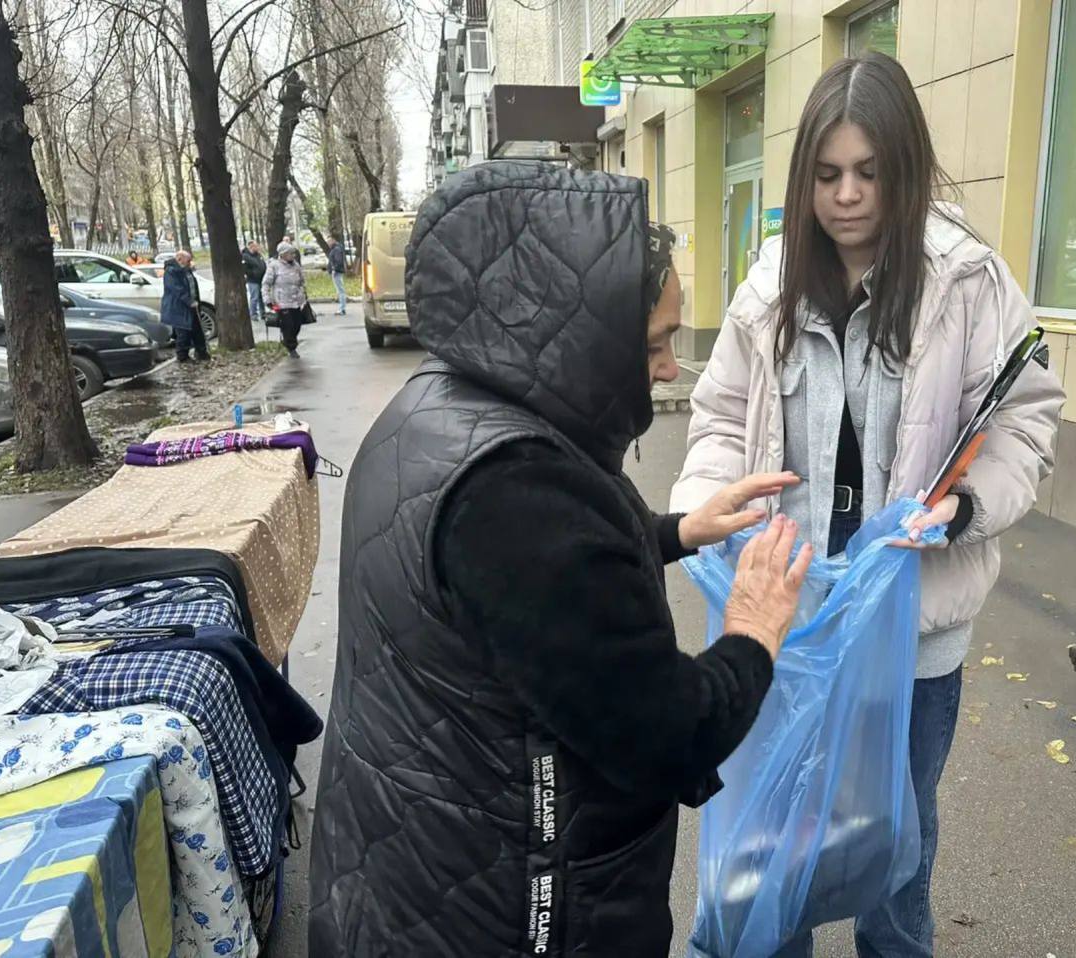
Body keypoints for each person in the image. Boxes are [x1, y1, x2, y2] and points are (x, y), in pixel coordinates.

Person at [308, 161, 815, 957]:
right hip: (508, 907)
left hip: (423, 872)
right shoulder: (515, 493)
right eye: (654, 343)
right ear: (580, 336)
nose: (669, 368)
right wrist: (752, 632)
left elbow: (524, 598)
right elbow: (665, 734)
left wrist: (674, 531)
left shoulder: (444, 404)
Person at [670, 53, 1065, 958]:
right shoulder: (769, 284)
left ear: (904, 168)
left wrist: (964, 508)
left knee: (895, 853)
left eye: (868, 173)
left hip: (913, 634)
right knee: (775, 849)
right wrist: (708, 507)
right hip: (791, 624)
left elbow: (1026, 420)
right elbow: (720, 419)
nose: (846, 196)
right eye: (826, 174)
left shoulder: (968, 281)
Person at [159, 250, 210, 363]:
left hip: (191, 305)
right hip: (178, 307)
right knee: (183, 332)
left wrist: (195, 300)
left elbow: (192, 286)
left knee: (197, 330)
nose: (190, 263)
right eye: (188, 260)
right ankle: (182, 356)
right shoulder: (171, 272)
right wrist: (189, 300)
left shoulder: (186, 270)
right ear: (180, 259)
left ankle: (201, 352)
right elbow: (177, 289)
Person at [262, 242, 308, 358]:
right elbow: (266, 284)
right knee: (288, 325)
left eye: (293, 253)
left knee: (297, 324)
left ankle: (289, 340)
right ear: (283, 254)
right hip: (282, 302)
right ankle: (291, 347)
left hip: (296, 301)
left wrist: (303, 293)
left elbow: (302, 280)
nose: (292, 255)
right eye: (290, 253)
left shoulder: (296, 265)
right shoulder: (274, 266)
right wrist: (267, 299)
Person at [241, 240, 267, 323]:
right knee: (254, 297)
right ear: (251, 247)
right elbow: (245, 269)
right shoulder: (245, 256)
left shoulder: (258, 255)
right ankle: (253, 314)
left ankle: (263, 313)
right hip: (253, 280)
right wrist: (253, 274)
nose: (258, 247)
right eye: (256, 246)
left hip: (261, 279)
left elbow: (262, 264)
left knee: (261, 297)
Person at [327, 237, 347, 315]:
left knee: (340, 291)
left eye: (329, 241)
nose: (328, 243)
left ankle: (342, 309)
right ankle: (342, 308)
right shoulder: (336, 249)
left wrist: (334, 269)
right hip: (337, 272)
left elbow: (338, 261)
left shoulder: (336, 249)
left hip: (337, 272)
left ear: (333, 241)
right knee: (339, 291)